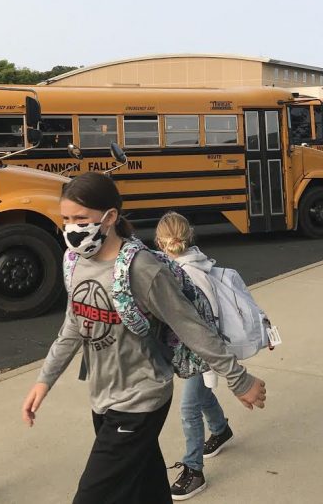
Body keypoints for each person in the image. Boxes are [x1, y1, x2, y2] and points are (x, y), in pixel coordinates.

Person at [21, 173, 267, 504]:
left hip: (141, 398)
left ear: (109, 218)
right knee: (147, 489)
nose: (71, 228)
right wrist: (44, 380)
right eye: (65, 219)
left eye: (81, 219)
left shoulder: (142, 269)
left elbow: (190, 325)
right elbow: (73, 326)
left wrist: (238, 379)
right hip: (104, 396)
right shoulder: (74, 263)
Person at [155, 212, 234, 500]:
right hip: (198, 351)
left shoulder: (188, 273)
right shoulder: (192, 265)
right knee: (200, 397)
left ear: (159, 242)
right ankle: (220, 429)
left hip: (204, 352)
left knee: (189, 408)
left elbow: (206, 320)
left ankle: (194, 470)